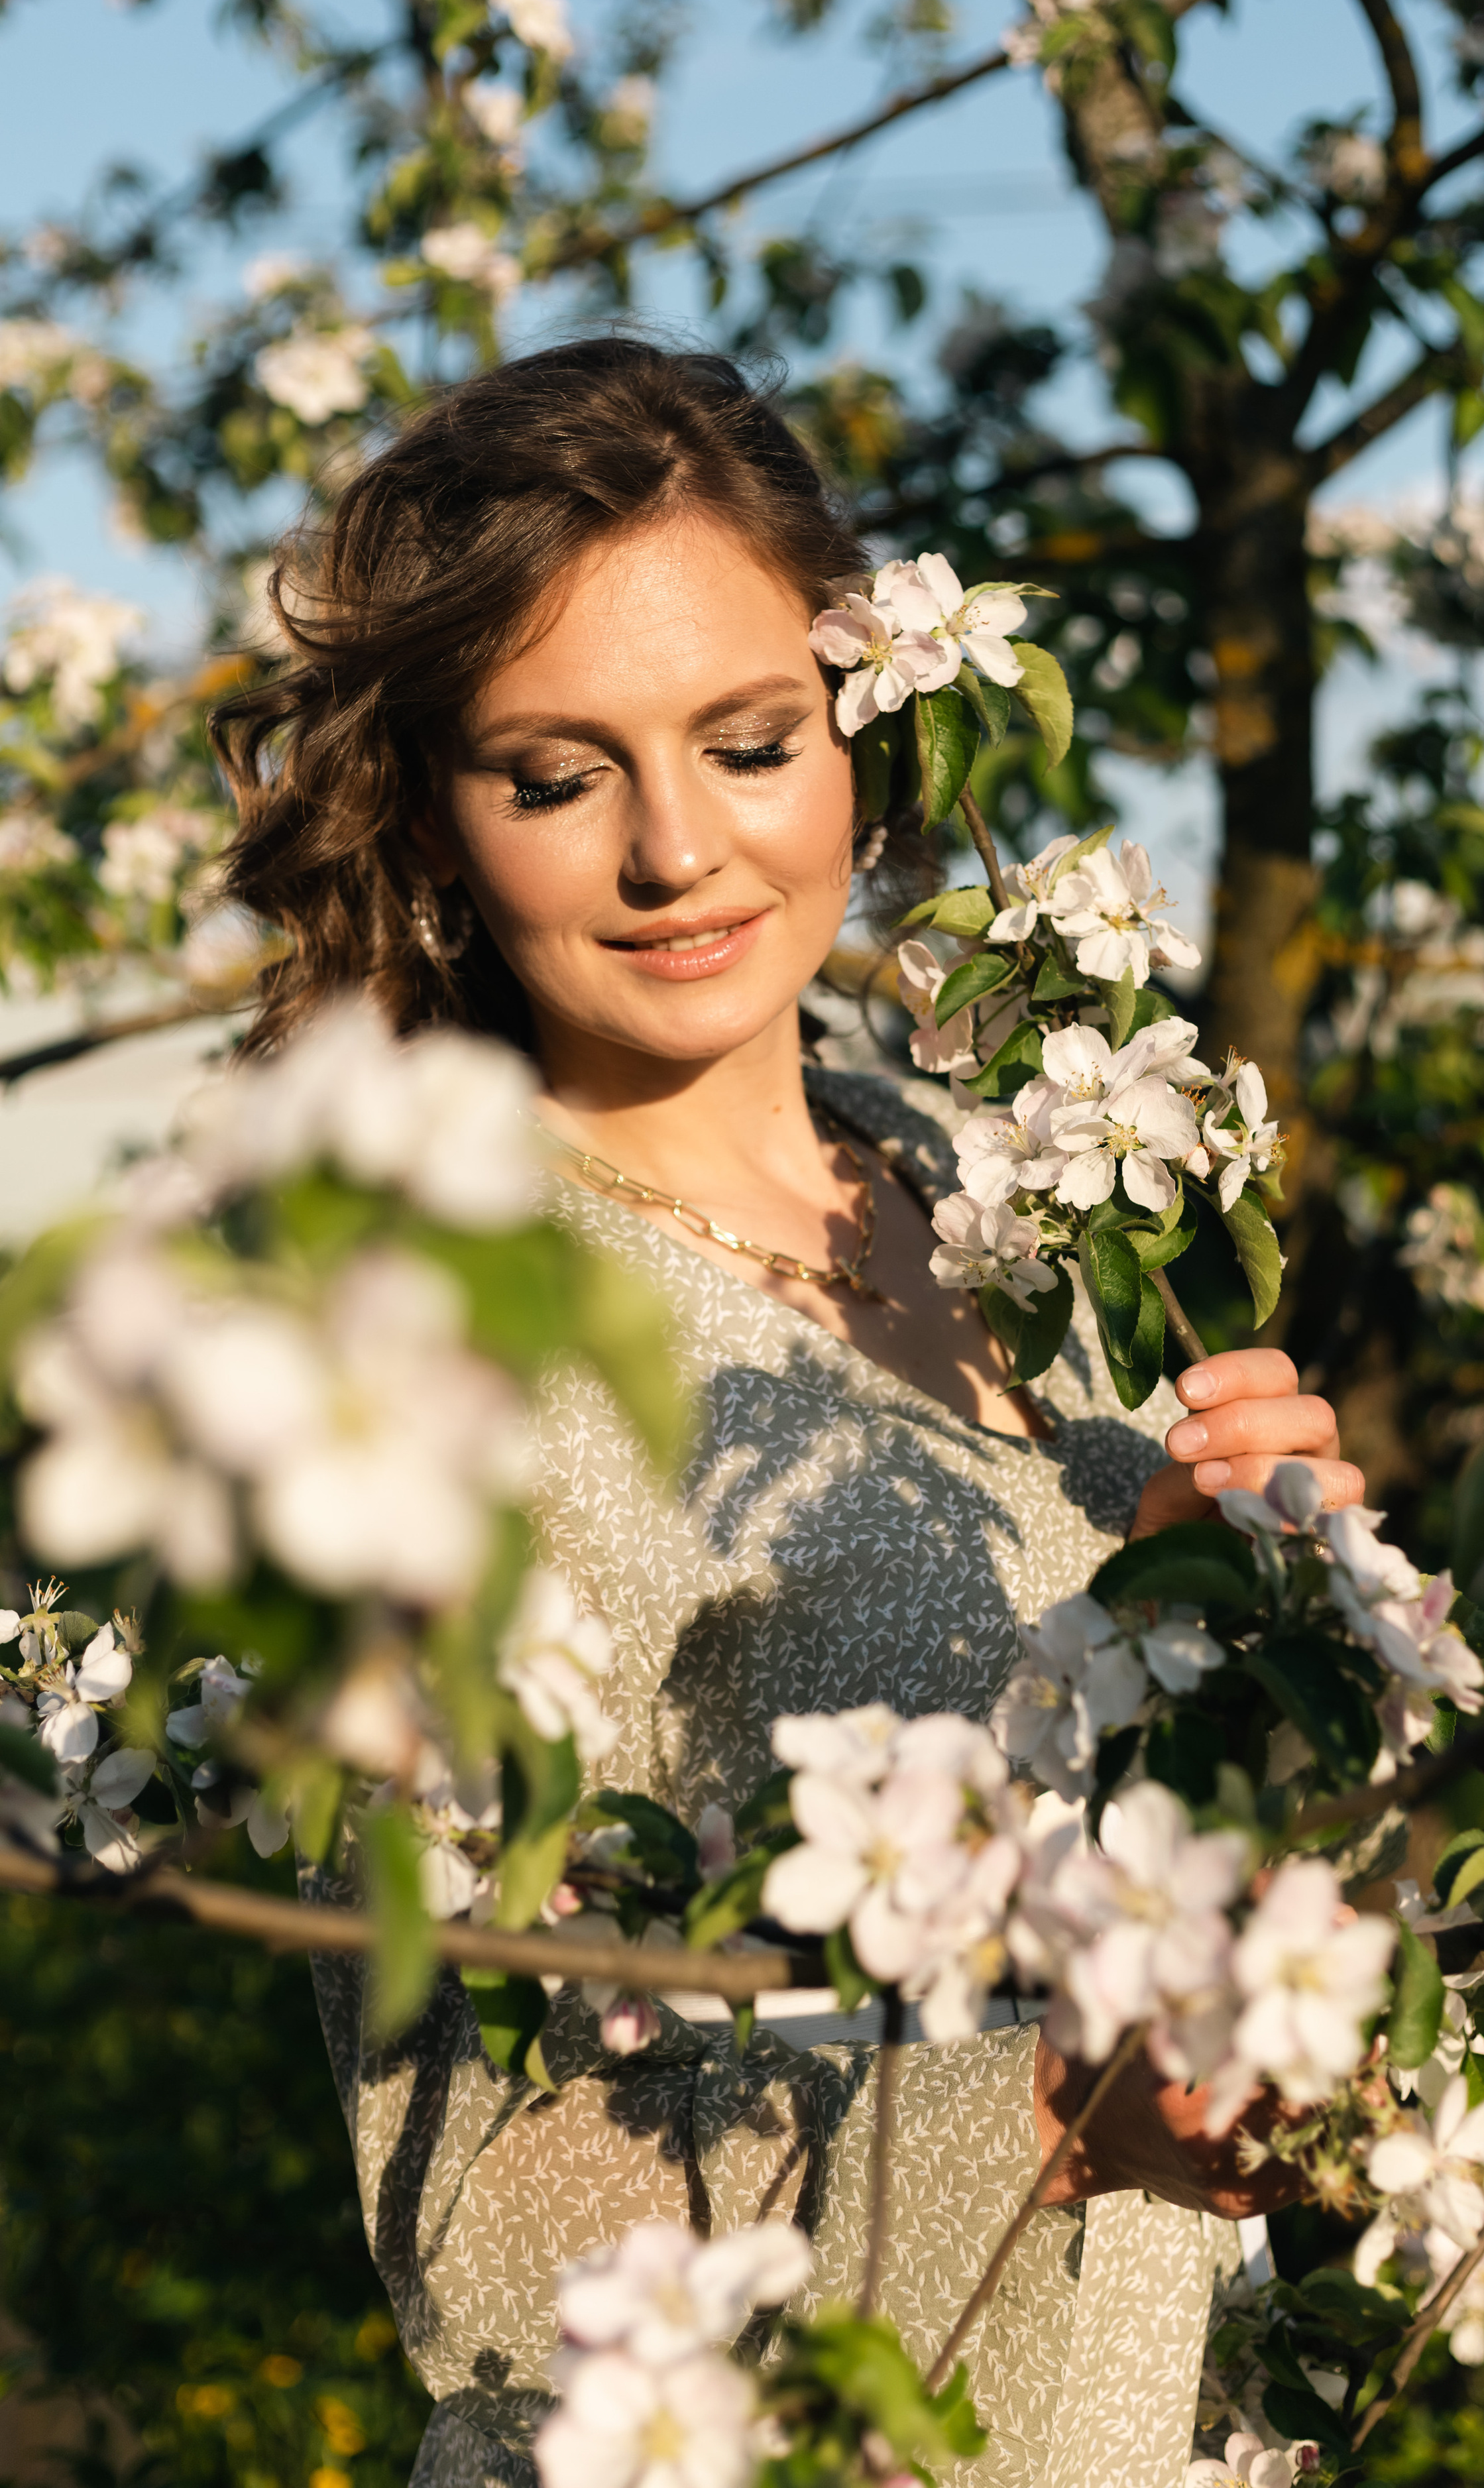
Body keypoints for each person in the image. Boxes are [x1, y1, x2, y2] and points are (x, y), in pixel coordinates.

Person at [213, 338, 1365, 2488]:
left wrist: (1280, 1604)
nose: (676, 851)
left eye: (748, 743)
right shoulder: (428, 1344)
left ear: (861, 727)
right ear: (440, 825)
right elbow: (476, 2229)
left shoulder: (1011, 1187)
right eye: (555, 777)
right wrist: (1029, 2112)